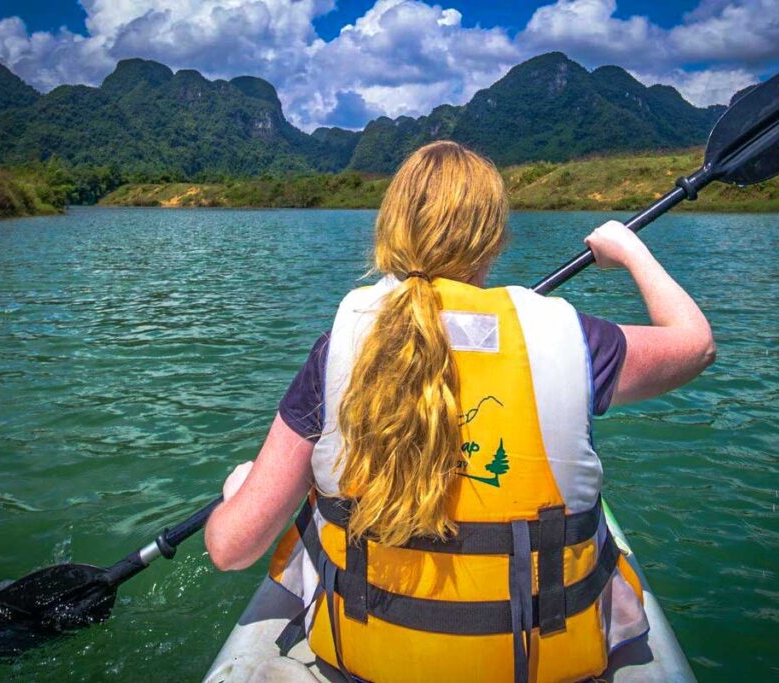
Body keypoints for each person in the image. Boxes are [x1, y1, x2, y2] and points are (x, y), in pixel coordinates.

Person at [205, 140, 715, 682]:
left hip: (365, 664)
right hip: (540, 666)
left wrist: (240, 492)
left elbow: (231, 549)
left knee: (259, 485)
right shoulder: (570, 338)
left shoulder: (340, 348)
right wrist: (630, 249)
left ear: (392, 228)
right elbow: (696, 344)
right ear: (493, 239)